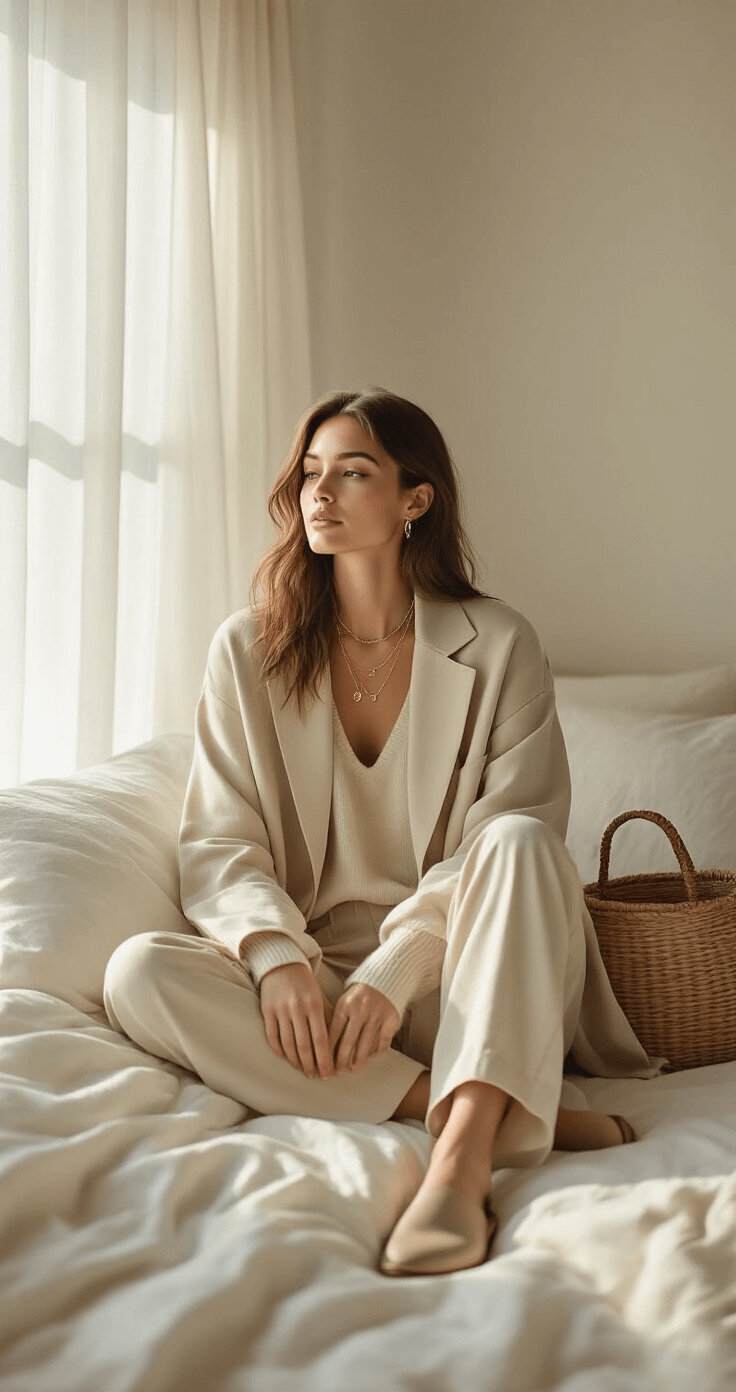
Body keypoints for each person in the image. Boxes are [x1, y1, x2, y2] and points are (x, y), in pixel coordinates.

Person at [103, 387, 656, 1278]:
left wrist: (397, 971)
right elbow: (219, 840)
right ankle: (466, 1104)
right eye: (310, 473)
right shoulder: (247, 650)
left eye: (353, 473)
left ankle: (461, 1169)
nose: (320, 493)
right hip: (323, 998)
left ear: (415, 499)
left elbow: (518, 821)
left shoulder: (501, 642)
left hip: (475, 978)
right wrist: (275, 957)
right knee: (139, 972)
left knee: (518, 843)